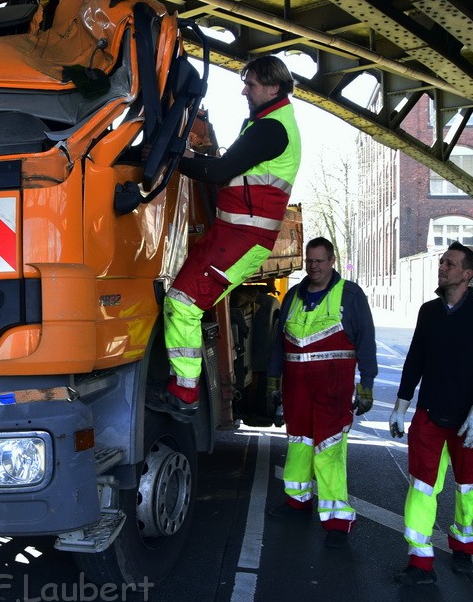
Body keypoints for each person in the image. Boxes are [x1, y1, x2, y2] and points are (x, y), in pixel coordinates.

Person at [157, 55, 301, 420]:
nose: (244, 90)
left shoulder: (271, 129)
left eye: (250, 84)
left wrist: (174, 156)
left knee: (183, 305)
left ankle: (184, 394)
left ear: (273, 87)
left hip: (243, 238)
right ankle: (184, 389)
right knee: (182, 301)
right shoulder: (267, 124)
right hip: (232, 234)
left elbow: (220, 170)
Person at [389, 241, 473, 585]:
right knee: (422, 486)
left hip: (470, 417)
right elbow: (415, 360)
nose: (443, 267)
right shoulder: (429, 312)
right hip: (430, 413)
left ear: (468, 274)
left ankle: (464, 548)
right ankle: (419, 562)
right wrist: (401, 405)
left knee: (469, 485)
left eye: (450, 264)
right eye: (442, 262)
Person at [265, 237, 377, 549]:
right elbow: (278, 344)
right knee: (299, 444)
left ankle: (337, 522)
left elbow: (366, 341)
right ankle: (296, 503)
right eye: (310, 261)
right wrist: (273, 381)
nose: (314, 267)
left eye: (320, 261)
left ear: (332, 261)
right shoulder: (293, 297)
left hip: (333, 391)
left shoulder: (350, 295)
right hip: (297, 390)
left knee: (329, 452)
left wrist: (366, 385)